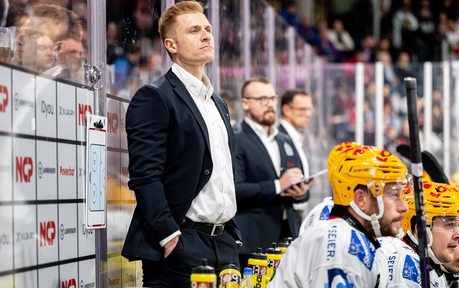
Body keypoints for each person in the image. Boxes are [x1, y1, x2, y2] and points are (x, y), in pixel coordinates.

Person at [121, 2, 241, 287]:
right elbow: (144, 176)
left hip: (224, 247)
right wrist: (170, 237)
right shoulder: (154, 97)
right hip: (182, 245)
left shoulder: (217, 102)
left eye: (208, 29)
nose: (206, 35)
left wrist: (232, 234)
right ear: (171, 44)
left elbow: (222, 175)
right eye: (194, 30)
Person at [268, 142, 409, 287]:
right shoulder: (343, 249)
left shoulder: (348, 237)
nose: (403, 207)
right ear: (361, 199)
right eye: (394, 195)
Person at [234, 77, 311, 268]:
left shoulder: (284, 139)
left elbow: (297, 182)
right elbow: (234, 189)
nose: (270, 105)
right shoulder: (235, 138)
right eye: (262, 99)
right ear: (246, 103)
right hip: (252, 240)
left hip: (288, 238)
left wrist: (301, 193)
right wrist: (277, 185)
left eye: (272, 98)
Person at [379, 181, 459, 287]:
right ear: (420, 229)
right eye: (449, 225)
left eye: (458, 225)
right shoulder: (406, 264)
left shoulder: (429, 264)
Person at [278, 88, 314, 216]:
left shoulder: (297, 137)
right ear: (287, 110)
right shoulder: (278, 137)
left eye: (309, 109)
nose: (308, 114)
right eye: (302, 109)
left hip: (295, 213)